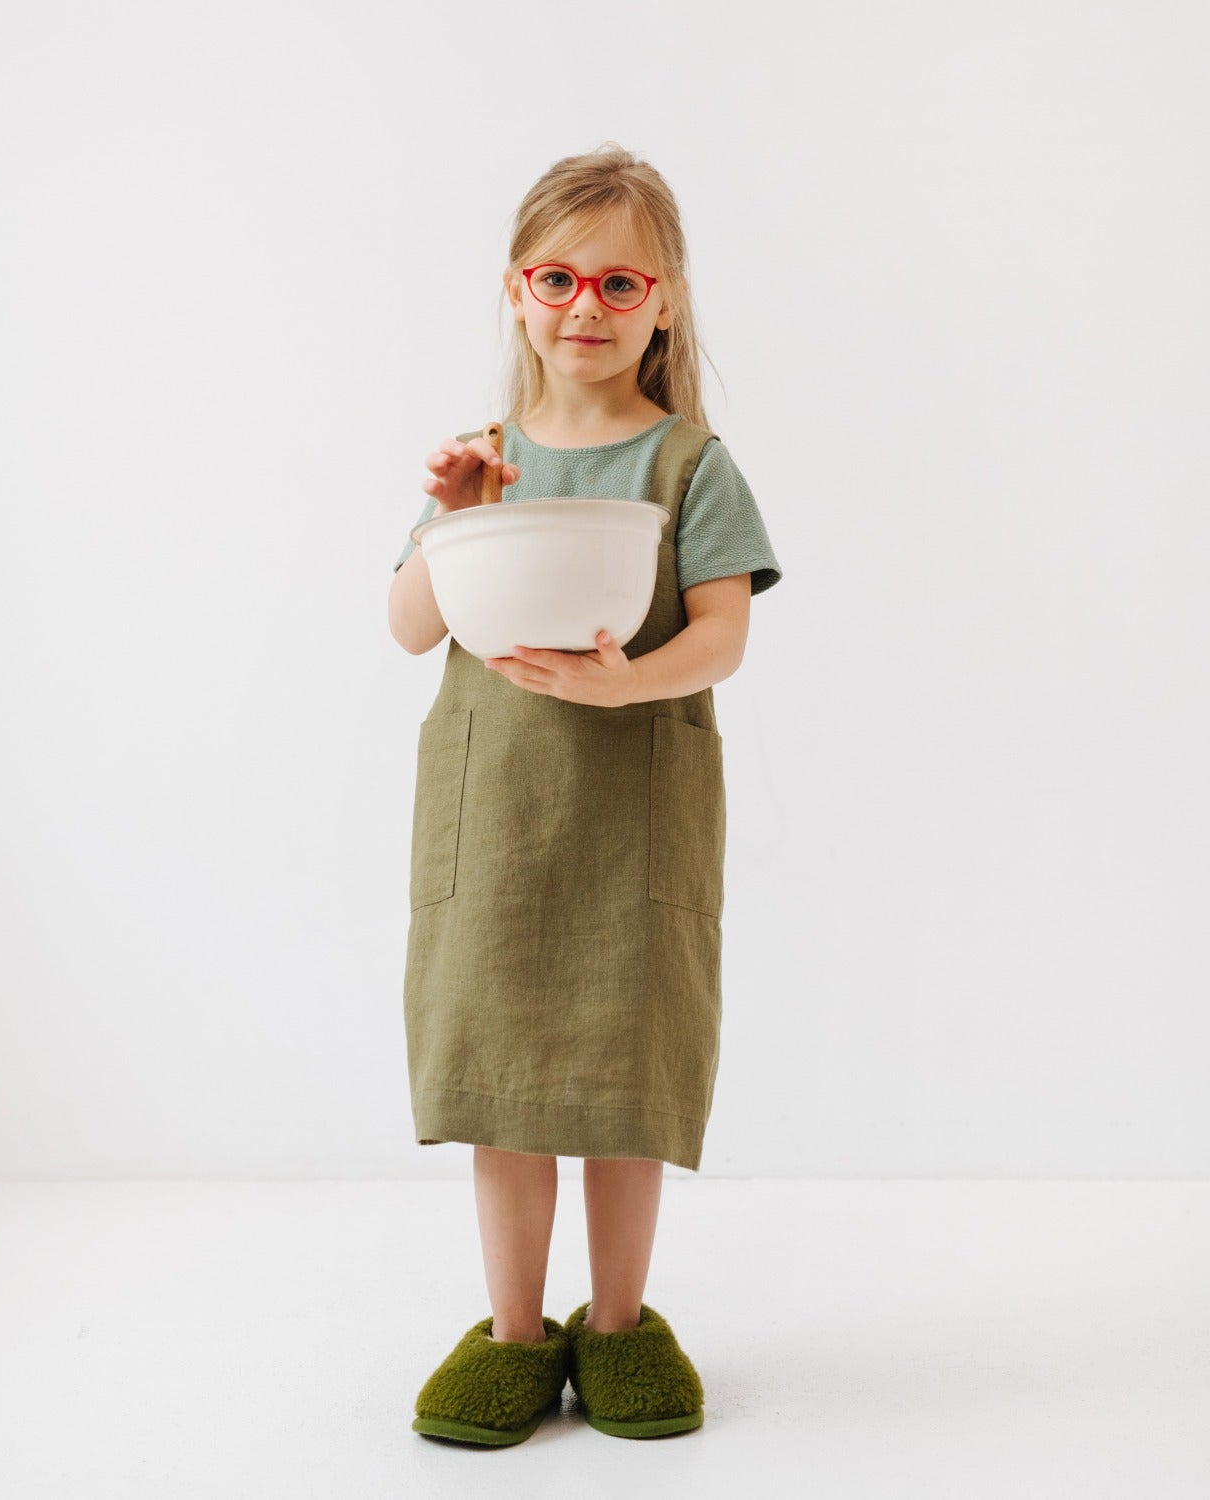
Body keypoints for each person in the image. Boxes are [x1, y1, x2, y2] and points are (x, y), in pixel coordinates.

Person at [387, 143, 783, 1446]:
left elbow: (722, 636)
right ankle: (514, 1332)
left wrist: (627, 687)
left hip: (634, 819)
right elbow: (408, 627)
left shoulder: (691, 466)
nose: (586, 308)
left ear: (664, 301)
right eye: (558, 278)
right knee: (502, 1078)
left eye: (621, 282)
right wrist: (449, 517)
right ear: (517, 291)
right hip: (495, 820)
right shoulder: (483, 459)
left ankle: (616, 1326)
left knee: (623, 1078)